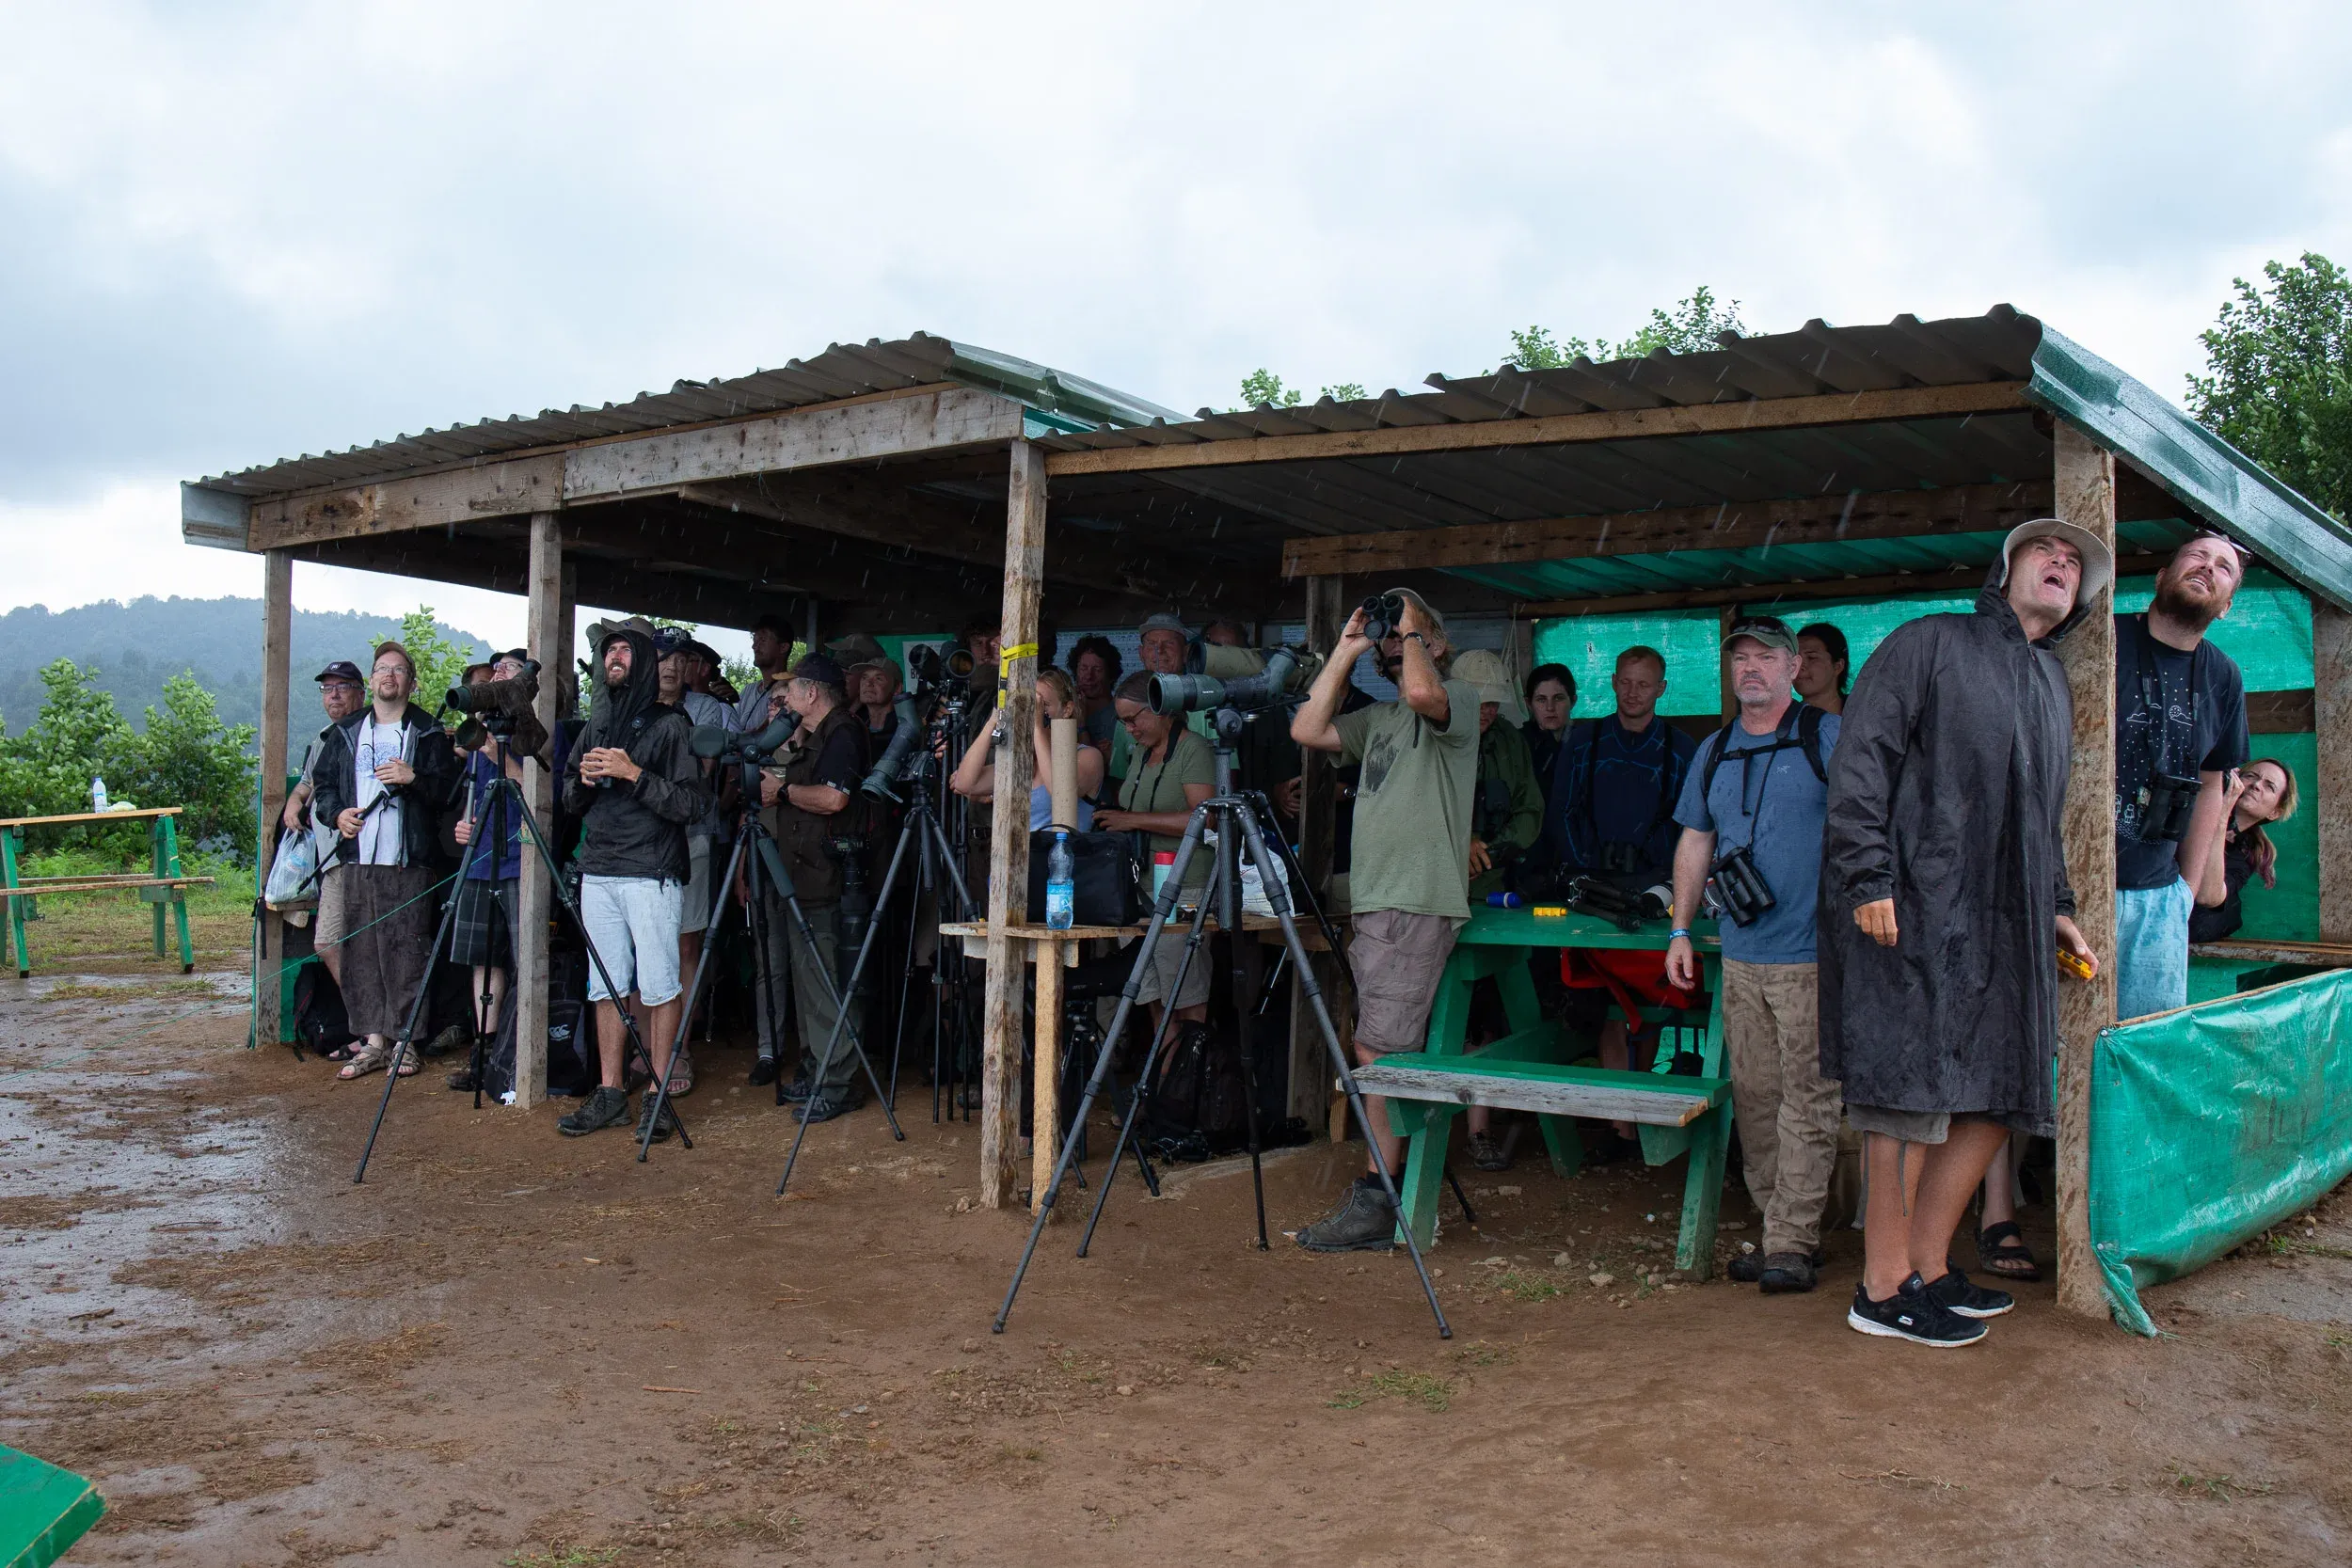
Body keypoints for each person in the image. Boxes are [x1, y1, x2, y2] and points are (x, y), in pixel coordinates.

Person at [1820, 518, 2108, 1346]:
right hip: (1910, 905)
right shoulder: (1929, 642)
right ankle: (1880, 1288)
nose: (2061, 562)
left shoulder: (2052, 682)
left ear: (2079, 600)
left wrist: (2057, 903)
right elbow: (1862, 758)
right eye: (2045, 551)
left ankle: (1929, 1266)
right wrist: (1867, 874)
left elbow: (2042, 815)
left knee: (1996, 1092)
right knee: (1905, 1095)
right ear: (2006, 567)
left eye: (2074, 564)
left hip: (2007, 919)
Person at [1289, 589, 1478, 1252]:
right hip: (1382, 904)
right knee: (1378, 1046)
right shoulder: (1378, 719)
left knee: (1381, 1051)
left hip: (1412, 901)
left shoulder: (1458, 708)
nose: (1397, 642)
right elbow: (1307, 729)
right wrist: (1347, 649)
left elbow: (1428, 696)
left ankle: (1380, 1197)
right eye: (1394, 636)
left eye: (1411, 634)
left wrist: (1417, 631)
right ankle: (1388, 1186)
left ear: (1436, 643)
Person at [1665, 616, 1842, 1293]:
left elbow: (1871, 821)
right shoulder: (1712, 749)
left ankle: (1792, 1240)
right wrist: (1681, 930)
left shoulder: (1828, 735)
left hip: (1813, 955)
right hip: (1738, 954)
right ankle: (1779, 1230)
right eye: (1740, 657)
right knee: (1758, 1094)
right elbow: (1694, 841)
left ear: (1794, 668)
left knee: (1810, 1097)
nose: (1751, 668)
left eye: (1766, 655)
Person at [556, 617, 708, 1142]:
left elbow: (692, 804)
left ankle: (659, 1095)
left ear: (641, 662)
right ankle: (609, 1091)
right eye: (609, 651)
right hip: (598, 868)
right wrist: (584, 780)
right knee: (606, 984)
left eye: (624, 651)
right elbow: (569, 804)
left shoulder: (671, 726)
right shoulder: (595, 727)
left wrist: (633, 775)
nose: (614, 658)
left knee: (660, 984)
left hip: (651, 873)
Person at [1549, 645, 1699, 1138]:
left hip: (1654, 894)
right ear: (1612, 682)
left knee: (1654, 1000)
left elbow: (1693, 826)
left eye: (1645, 684)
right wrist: (1585, 873)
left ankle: (1640, 1111)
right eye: (1626, 682)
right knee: (1603, 1000)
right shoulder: (1585, 740)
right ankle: (1621, 1125)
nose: (1633, 693)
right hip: (1593, 893)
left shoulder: (1681, 748)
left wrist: (1668, 881)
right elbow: (1562, 811)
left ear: (1662, 688)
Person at [2113, 533, 2249, 1020]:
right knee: (2053, 1046)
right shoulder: (2101, 641)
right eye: (2197, 556)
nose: (2208, 567)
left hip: (2158, 900)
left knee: (2145, 1051)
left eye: (2224, 567)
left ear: (2227, 606)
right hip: (2069, 890)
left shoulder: (2224, 676)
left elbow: (2214, 782)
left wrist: (2185, 893)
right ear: (2160, 577)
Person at [310, 642, 460, 1081]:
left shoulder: (428, 731)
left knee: (407, 951)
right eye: (381, 669)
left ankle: (407, 1042)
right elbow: (323, 787)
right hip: (358, 859)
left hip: (408, 860)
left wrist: (414, 779)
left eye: (397, 670)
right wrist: (337, 815)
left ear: (411, 683)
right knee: (361, 952)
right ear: (371, 681)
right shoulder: (345, 732)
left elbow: (449, 791)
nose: (388, 676)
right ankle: (374, 1042)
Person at [753, 653, 875, 1122]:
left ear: (811, 693)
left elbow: (834, 797)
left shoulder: (842, 732)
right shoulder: (819, 733)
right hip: (805, 875)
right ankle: (818, 1068)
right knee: (810, 981)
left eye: (792, 691)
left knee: (825, 983)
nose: (784, 699)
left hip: (829, 878)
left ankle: (838, 1082)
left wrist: (780, 791)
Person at [1453, 649, 1544, 1171]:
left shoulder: (1510, 741)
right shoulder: (1430, 733)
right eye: (1478, 702)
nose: (1487, 711)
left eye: (1494, 703)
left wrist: (1494, 848)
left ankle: (1481, 1131)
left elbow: (1531, 808)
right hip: (1436, 896)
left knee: (1491, 1012)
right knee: (1446, 1018)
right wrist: (1458, 840)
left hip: (1494, 892)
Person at [1092, 672, 1216, 1050]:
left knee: (1186, 996)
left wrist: (1132, 821)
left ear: (1164, 709)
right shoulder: (1141, 753)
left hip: (1185, 885)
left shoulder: (1194, 748)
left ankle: (1185, 1092)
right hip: (1141, 887)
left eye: (1134, 719)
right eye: (1122, 721)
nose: (1128, 728)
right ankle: (1163, 1095)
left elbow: (1206, 817)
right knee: (1155, 1000)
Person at [443, 652, 534, 1094]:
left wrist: (498, 751)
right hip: (479, 859)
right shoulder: (478, 732)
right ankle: (484, 1052)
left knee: (524, 958)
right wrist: (465, 826)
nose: (497, 676)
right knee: (483, 957)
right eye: (495, 670)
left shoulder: (531, 729)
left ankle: (518, 1056)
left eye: (509, 670)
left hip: (522, 860)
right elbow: (475, 794)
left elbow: (533, 792)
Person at [661, 631, 735, 1098]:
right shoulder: (628, 705)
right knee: (641, 949)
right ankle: (645, 1046)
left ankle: (678, 1048)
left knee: (686, 946)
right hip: (640, 844)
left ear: (694, 665)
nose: (672, 666)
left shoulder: (708, 709)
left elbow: (700, 771)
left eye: (681, 658)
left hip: (692, 837)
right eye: (663, 657)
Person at [283, 659, 367, 994]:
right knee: (329, 942)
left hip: (362, 857)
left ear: (361, 694)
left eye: (342, 688)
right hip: (331, 861)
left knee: (360, 943)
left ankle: (371, 1030)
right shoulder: (323, 739)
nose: (333, 695)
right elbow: (307, 783)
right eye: (327, 689)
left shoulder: (369, 732)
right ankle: (363, 1026)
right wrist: (294, 802)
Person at [950, 667, 1104, 830]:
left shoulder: (1088, 756)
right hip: (1022, 853)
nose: (1033, 711)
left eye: (1043, 704)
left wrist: (1037, 726)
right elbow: (964, 784)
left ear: (1067, 709)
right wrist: (994, 719)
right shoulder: (1023, 760)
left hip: (1063, 852)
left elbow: (1061, 796)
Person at [2190, 756, 2298, 943]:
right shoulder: (2193, 808)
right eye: (2251, 776)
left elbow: (2208, 896)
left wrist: (2222, 815)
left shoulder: (2246, 855)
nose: (2256, 785)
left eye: (2269, 786)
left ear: (2275, 812)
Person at [1521, 662, 1576, 807]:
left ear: (1573, 701)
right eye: (1541, 700)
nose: (1550, 708)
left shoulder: (1587, 742)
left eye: (1558, 698)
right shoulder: (1518, 744)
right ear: (1528, 703)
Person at [734, 613, 797, 735]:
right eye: (754, 641)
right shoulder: (748, 690)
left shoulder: (791, 691)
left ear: (783, 647)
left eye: (763, 640)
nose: (754, 647)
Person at [1070, 635, 1123, 758]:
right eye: (1083, 668)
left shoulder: (1121, 716)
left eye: (1097, 670)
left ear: (1111, 675)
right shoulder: (1066, 710)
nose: (1089, 676)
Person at [1794, 624, 1850, 716]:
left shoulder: (1864, 712)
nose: (1799, 666)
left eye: (1811, 657)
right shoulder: (1783, 723)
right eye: (1795, 659)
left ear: (1837, 666)